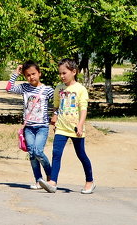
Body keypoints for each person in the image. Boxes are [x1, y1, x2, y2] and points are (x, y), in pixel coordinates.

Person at [45, 58, 95, 194]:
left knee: (81, 155)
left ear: (74, 72)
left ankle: (90, 181)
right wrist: (54, 117)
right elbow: (56, 105)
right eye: (60, 73)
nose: (61, 76)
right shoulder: (59, 88)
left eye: (64, 73)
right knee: (56, 153)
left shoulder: (80, 89)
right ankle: (52, 182)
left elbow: (83, 109)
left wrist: (80, 125)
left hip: (75, 128)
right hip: (61, 127)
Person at [5, 60, 54, 191]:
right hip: (28, 127)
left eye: (33, 74)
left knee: (38, 151)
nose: (31, 77)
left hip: (42, 126)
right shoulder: (24, 88)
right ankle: (38, 180)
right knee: (32, 154)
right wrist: (16, 73)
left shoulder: (47, 90)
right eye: (28, 75)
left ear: (39, 73)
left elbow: (57, 103)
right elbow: (9, 88)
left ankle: (51, 175)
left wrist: (55, 116)